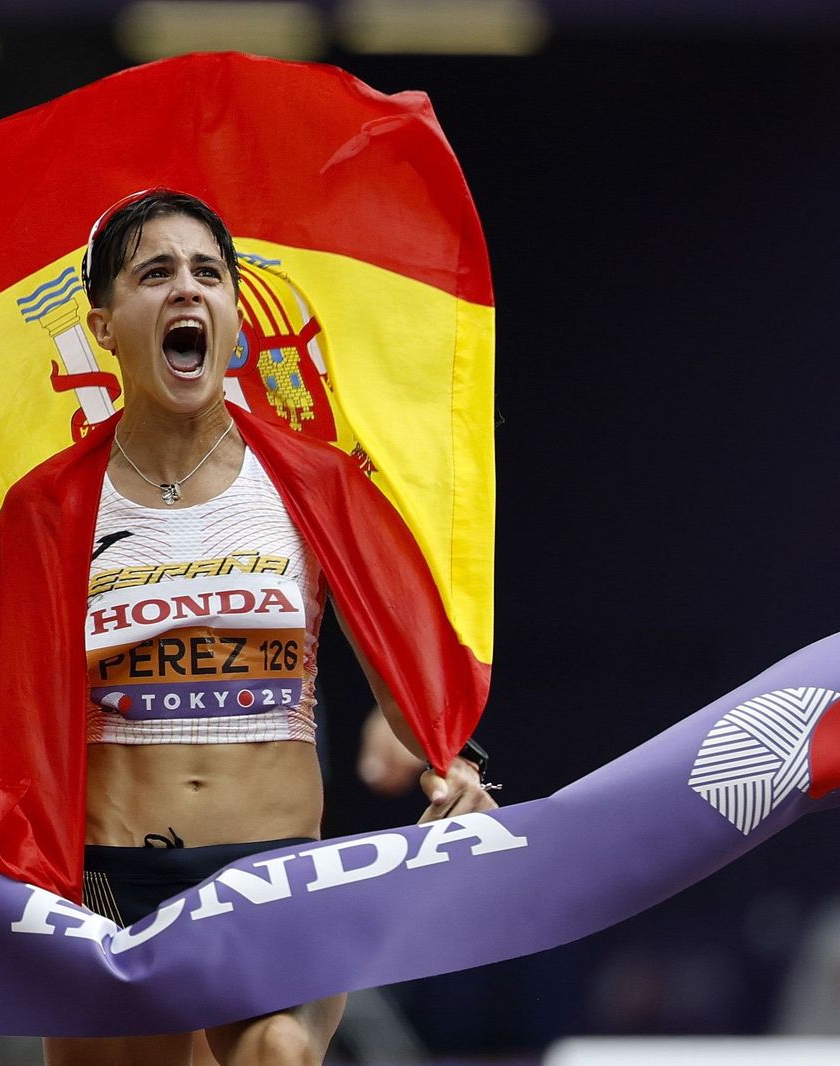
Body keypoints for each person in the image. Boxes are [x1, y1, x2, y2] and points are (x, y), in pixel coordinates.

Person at [40, 189, 499, 1066]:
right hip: (111, 884)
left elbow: (403, 666)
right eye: (156, 273)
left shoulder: (312, 483)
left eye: (209, 273)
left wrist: (455, 763)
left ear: (235, 315)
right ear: (103, 328)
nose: (187, 288)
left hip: (272, 875)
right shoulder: (48, 507)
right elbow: (4, 710)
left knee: (277, 1052)